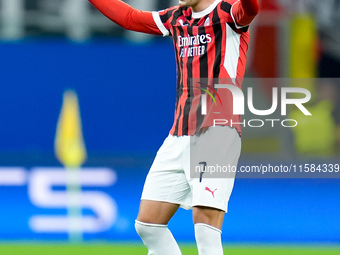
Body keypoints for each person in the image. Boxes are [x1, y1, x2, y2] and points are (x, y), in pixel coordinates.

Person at [89, 0, 259, 254]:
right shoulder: (176, 18)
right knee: (148, 225)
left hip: (216, 132)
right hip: (179, 133)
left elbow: (252, 8)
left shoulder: (228, 13)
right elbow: (129, 18)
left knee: (205, 227)